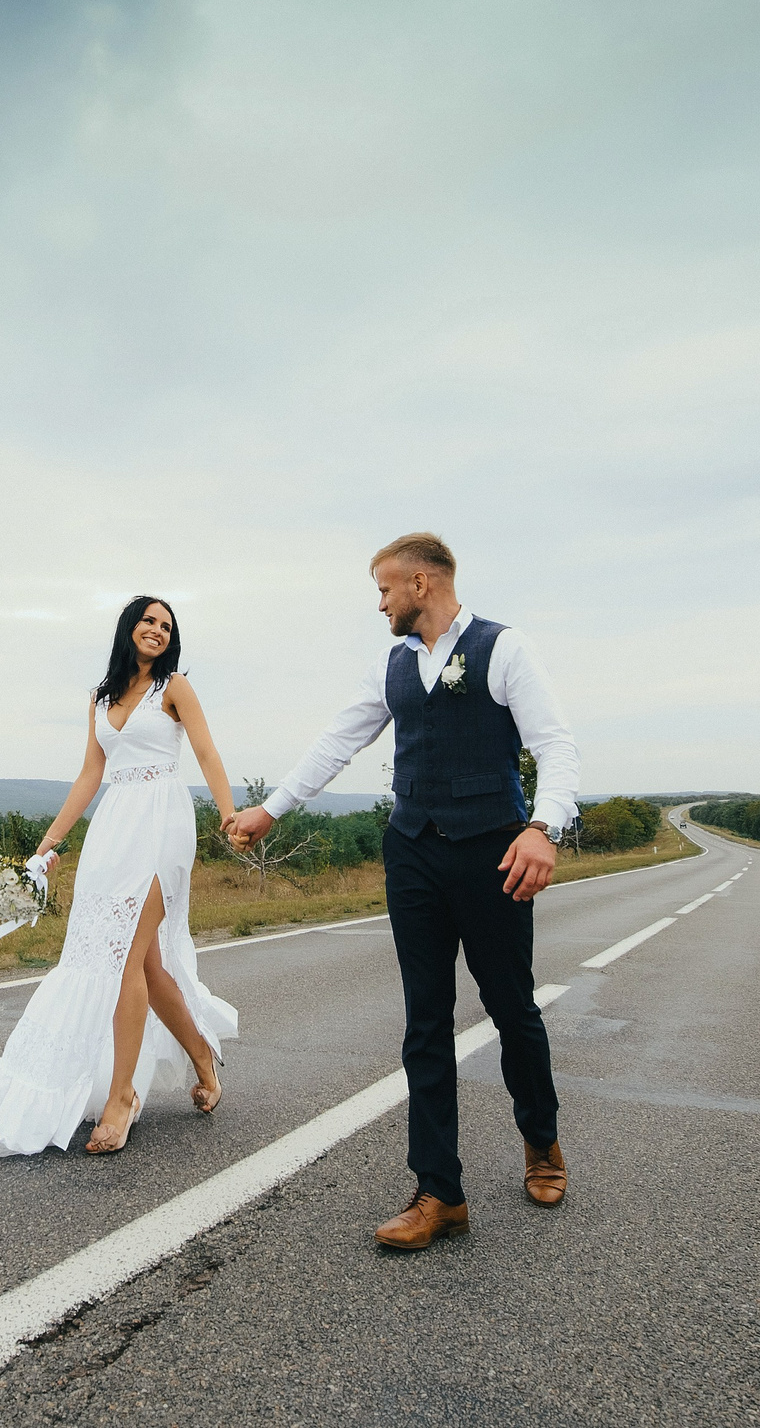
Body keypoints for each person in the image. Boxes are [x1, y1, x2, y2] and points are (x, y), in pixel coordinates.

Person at [226, 533, 579, 1248]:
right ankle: (439, 1192)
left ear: (421, 583)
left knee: (512, 1008)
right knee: (425, 1021)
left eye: (385, 589)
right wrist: (273, 808)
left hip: (493, 852)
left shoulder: (503, 648)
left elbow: (555, 745)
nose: (380, 604)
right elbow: (338, 740)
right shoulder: (391, 665)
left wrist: (542, 827)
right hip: (413, 850)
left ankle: (541, 1140)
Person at [0, 596, 239, 1157]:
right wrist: (47, 844)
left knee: (126, 956)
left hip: (162, 824)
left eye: (166, 626)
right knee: (145, 963)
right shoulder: (101, 698)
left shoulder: (174, 687)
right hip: (114, 829)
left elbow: (206, 752)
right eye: (148, 620)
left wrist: (228, 815)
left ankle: (122, 1097)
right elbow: (89, 775)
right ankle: (202, 1057)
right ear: (130, 627)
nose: (157, 630)